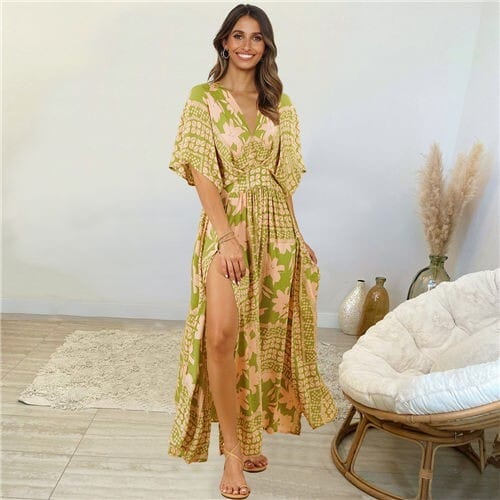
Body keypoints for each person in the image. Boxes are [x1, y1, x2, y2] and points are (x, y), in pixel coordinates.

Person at [168, 4, 337, 499]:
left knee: (261, 334)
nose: (247, 45)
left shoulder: (279, 103)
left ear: (266, 46)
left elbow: (285, 180)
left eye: (257, 37)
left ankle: (247, 437)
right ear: (224, 41)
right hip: (228, 224)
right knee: (221, 335)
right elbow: (202, 173)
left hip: (276, 227)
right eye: (238, 35)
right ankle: (231, 449)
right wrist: (225, 237)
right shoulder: (203, 99)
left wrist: (298, 236)